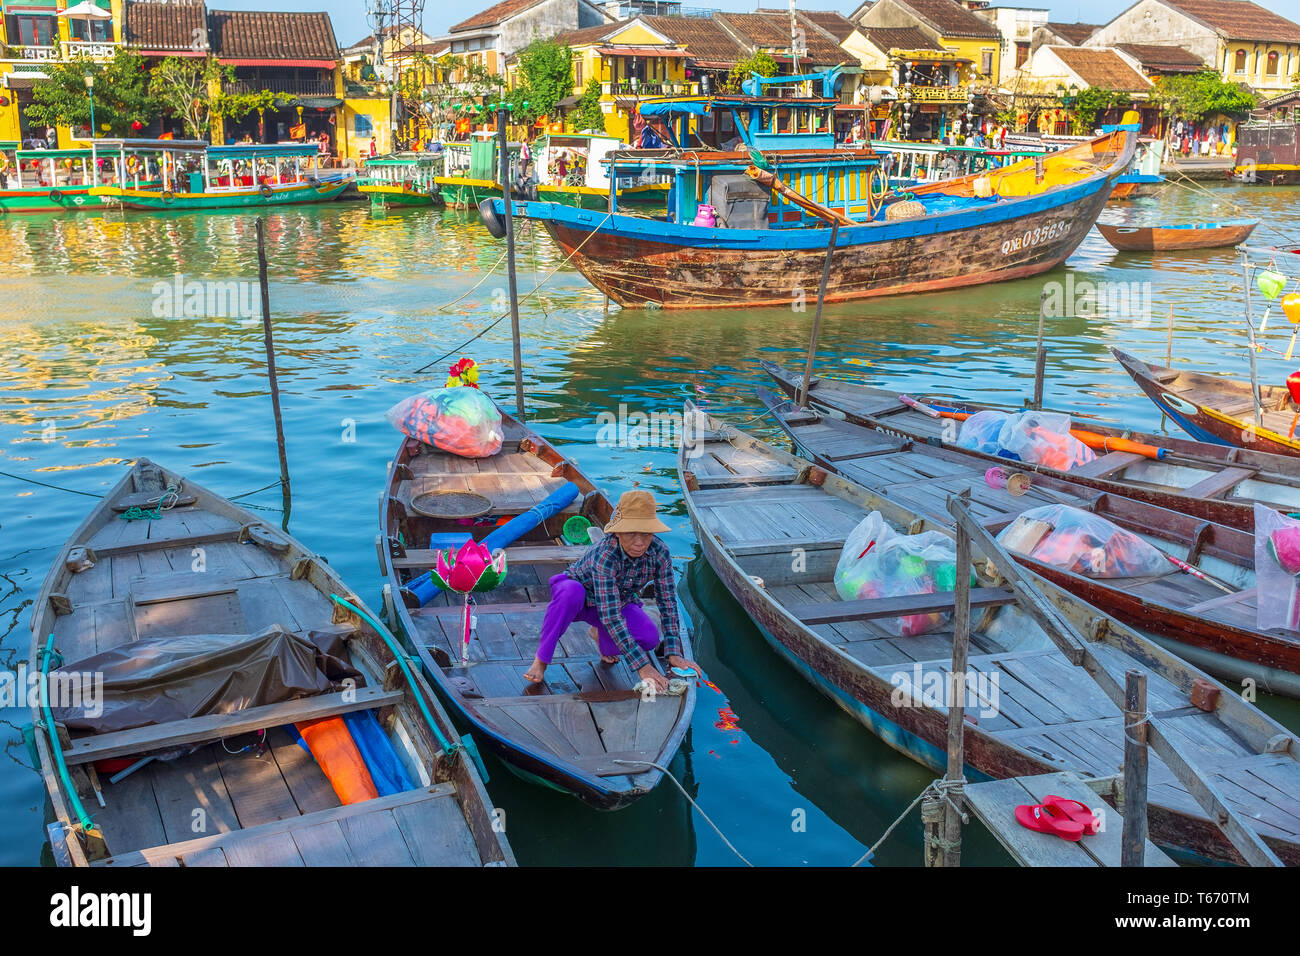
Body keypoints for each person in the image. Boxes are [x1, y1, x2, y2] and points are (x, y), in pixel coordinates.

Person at [523, 490, 699, 691]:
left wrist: (673, 652)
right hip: (581, 599)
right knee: (570, 592)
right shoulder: (606, 553)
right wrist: (643, 666)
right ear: (618, 532)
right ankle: (541, 660)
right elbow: (610, 615)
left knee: (649, 639)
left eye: (646, 533)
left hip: (616, 602)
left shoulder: (660, 553)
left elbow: (667, 603)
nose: (639, 542)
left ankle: (598, 633)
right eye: (631, 533)